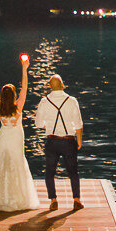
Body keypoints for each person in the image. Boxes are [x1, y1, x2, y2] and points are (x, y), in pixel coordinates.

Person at [0, 54, 38, 212]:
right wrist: (24, 69)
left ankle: (2, 196)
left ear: (3, 95)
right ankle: (19, 197)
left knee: (3, 163)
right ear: (14, 95)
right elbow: (25, 88)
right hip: (16, 136)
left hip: (4, 136)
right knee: (17, 162)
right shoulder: (18, 106)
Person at [32, 73, 83, 210]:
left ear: (50, 87)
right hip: (68, 140)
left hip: (52, 141)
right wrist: (79, 141)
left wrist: (48, 126)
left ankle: (53, 200)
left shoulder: (44, 101)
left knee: (50, 172)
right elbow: (78, 124)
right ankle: (76, 200)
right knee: (73, 171)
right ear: (62, 84)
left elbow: (37, 124)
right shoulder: (72, 101)